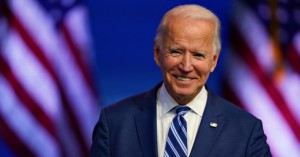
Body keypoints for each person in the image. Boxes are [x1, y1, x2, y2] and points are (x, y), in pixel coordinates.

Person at [90, 4, 271, 157]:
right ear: (157, 53)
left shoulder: (246, 131)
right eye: (176, 51)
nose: (186, 66)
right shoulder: (115, 122)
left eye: (198, 55)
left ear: (213, 61)